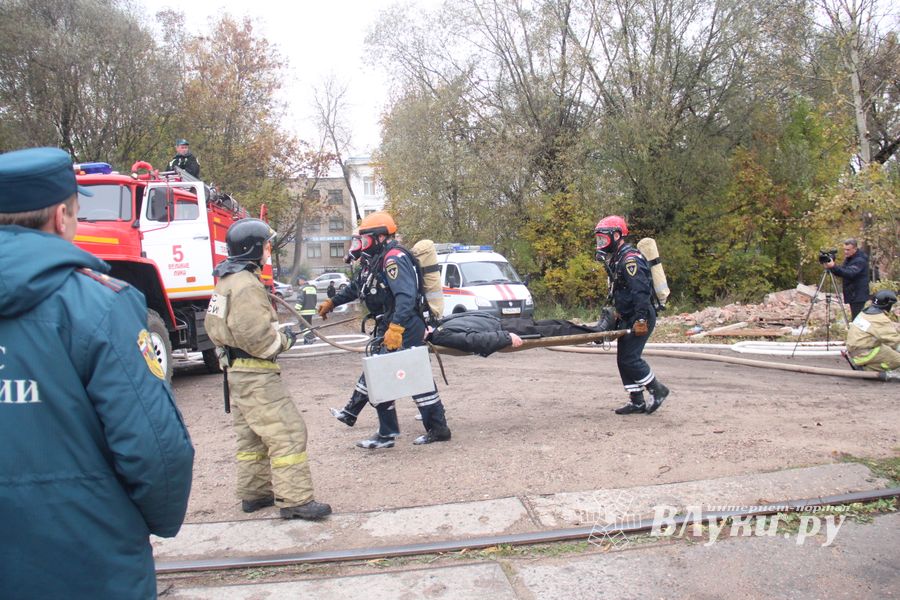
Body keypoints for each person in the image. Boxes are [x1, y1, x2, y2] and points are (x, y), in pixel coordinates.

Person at [0, 147, 195, 599]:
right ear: (61, 216)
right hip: (85, 558)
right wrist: (149, 523)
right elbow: (156, 451)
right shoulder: (101, 304)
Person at [205, 218, 331, 520]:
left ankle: (255, 492)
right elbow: (258, 338)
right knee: (286, 432)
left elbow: (214, 325)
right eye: (265, 244)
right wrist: (283, 339)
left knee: (251, 437)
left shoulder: (226, 280)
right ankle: (296, 500)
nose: (268, 249)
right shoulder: (246, 285)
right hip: (256, 374)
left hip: (236, 372)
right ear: (252, 248)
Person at [319, 211, 452, 448]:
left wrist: (397, 328)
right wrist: (333, 302)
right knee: (380, 374)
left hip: (404, 326)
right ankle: (388, 431)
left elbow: (406, 296)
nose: (361, 244)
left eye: (365, 238)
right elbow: (356, 287)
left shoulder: (394, 258)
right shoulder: (375, 259)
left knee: (411, 379)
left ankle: (430, 430)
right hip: (390, 325)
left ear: (379, 237)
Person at [594, 215, 670, 415]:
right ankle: (636, 401)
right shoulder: (617, 258)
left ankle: (657, 389)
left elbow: (641, 292)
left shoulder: (629, 260)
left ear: (617, 235)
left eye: (603, 239)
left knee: (630, 358)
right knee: (623, 359)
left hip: (640, 316)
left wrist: (641, 318)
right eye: (598, 240)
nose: (600, 244)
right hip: (628, 315)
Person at [845, 290, 900, 372]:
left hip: (854, 351)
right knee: (897, 359)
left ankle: (865, 364)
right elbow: (894, 341)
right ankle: (868, 369)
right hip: (865, 353)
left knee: (887, 348)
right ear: (887, 305)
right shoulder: (880, 319)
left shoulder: (865, 312)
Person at [823, 238, 870, 320]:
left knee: (857, 319)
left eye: (848, 250)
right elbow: (843, 272)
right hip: (853, 293)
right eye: (844, 249)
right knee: (856, 319)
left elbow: (850, 273)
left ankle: (858, 332)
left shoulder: (860, 260)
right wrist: (832, 267)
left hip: (858, 294)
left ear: (855, 249)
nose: (845, 252)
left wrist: (834, 266)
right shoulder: (850, 258)